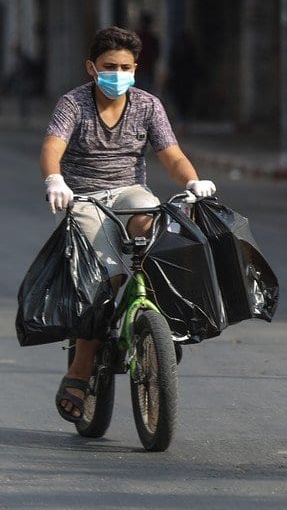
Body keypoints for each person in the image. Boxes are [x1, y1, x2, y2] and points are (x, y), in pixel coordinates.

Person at [40, 26, 217, 423]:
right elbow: (53, 147)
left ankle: (159, 326)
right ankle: (81, 365)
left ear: (136, 68)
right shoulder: (73, 104)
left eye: (125, 67)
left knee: (158, 232)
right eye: (108, 66)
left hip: (129, 191)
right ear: (91, 68)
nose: (117, 73)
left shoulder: (148, 105)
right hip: (85, 198)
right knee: (105, 277)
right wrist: (56, 180)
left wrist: (192, 180)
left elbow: (170, 154)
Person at [134, 13, 161, 93]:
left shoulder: (136, 37)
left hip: (139, 71)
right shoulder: (152, 38)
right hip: (146, 71)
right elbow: (156, 54)